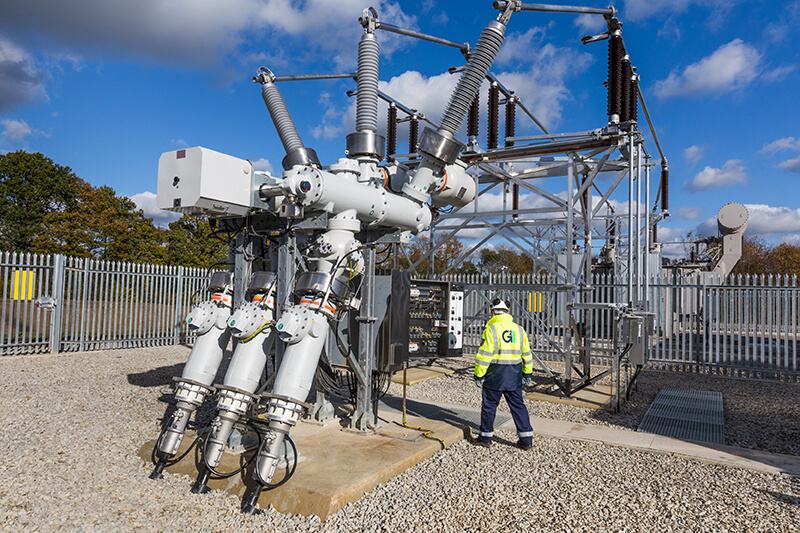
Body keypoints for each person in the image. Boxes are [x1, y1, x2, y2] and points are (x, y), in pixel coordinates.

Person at [471, 298, 534, 450]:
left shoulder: (491, 329)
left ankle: (485, 437)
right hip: (514, 373)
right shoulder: (519, 329)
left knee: (490, 405)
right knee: (518, 405)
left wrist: (479, 375)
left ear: (493, 312)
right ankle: (526, 440)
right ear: (507, 312)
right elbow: (527, 354)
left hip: (495, 374)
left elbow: (484, 355)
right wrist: (527, 374)